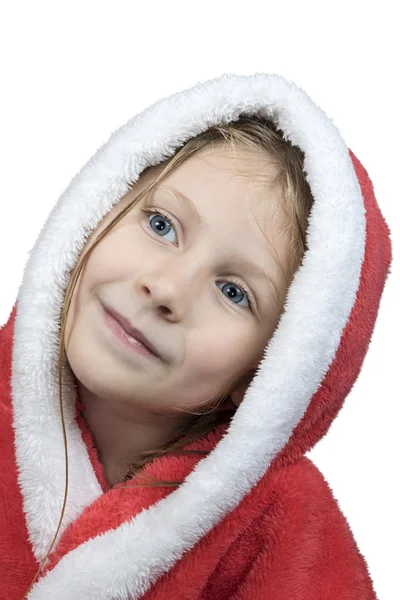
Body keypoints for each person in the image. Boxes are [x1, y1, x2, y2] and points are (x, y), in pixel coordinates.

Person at [0, 72, 391, 599]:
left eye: (233, 292)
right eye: (161, 225)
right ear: (95, 211)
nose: (166, 288)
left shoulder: (285, 523)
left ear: (268, 372)